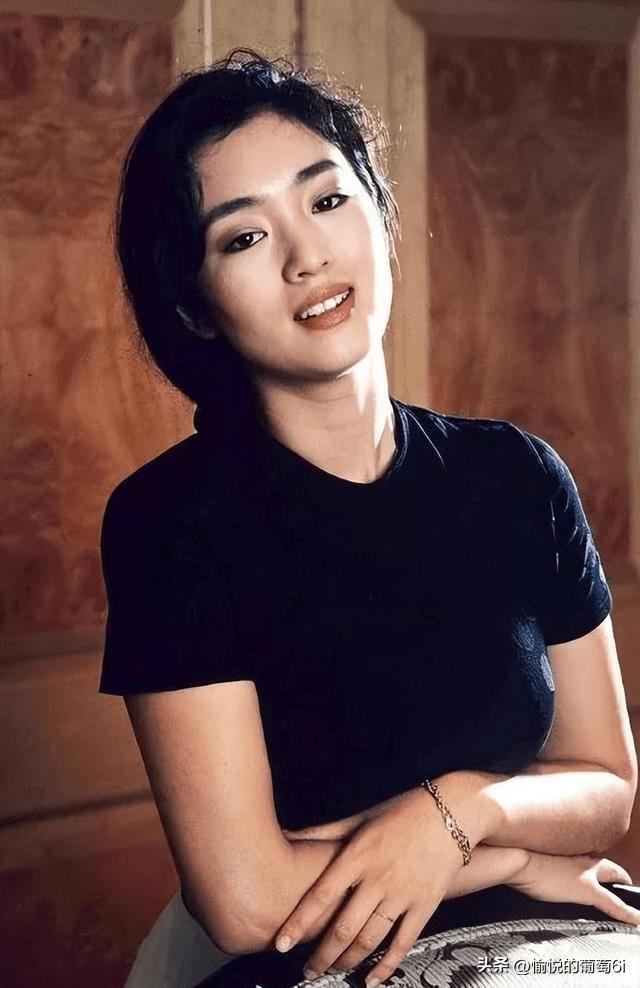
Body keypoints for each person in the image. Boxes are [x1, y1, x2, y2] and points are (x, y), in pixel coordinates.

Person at [98, 49, 640, 988]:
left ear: (380, 212)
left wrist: (461, 813)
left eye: (326, 199)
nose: (307, 256)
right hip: (306, 960)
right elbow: (246, 901)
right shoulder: (170, 524)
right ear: (194, 306)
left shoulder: (517, 475)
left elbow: (607, 787)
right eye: (244, 237)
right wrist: (513, 855)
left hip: (544, 935)